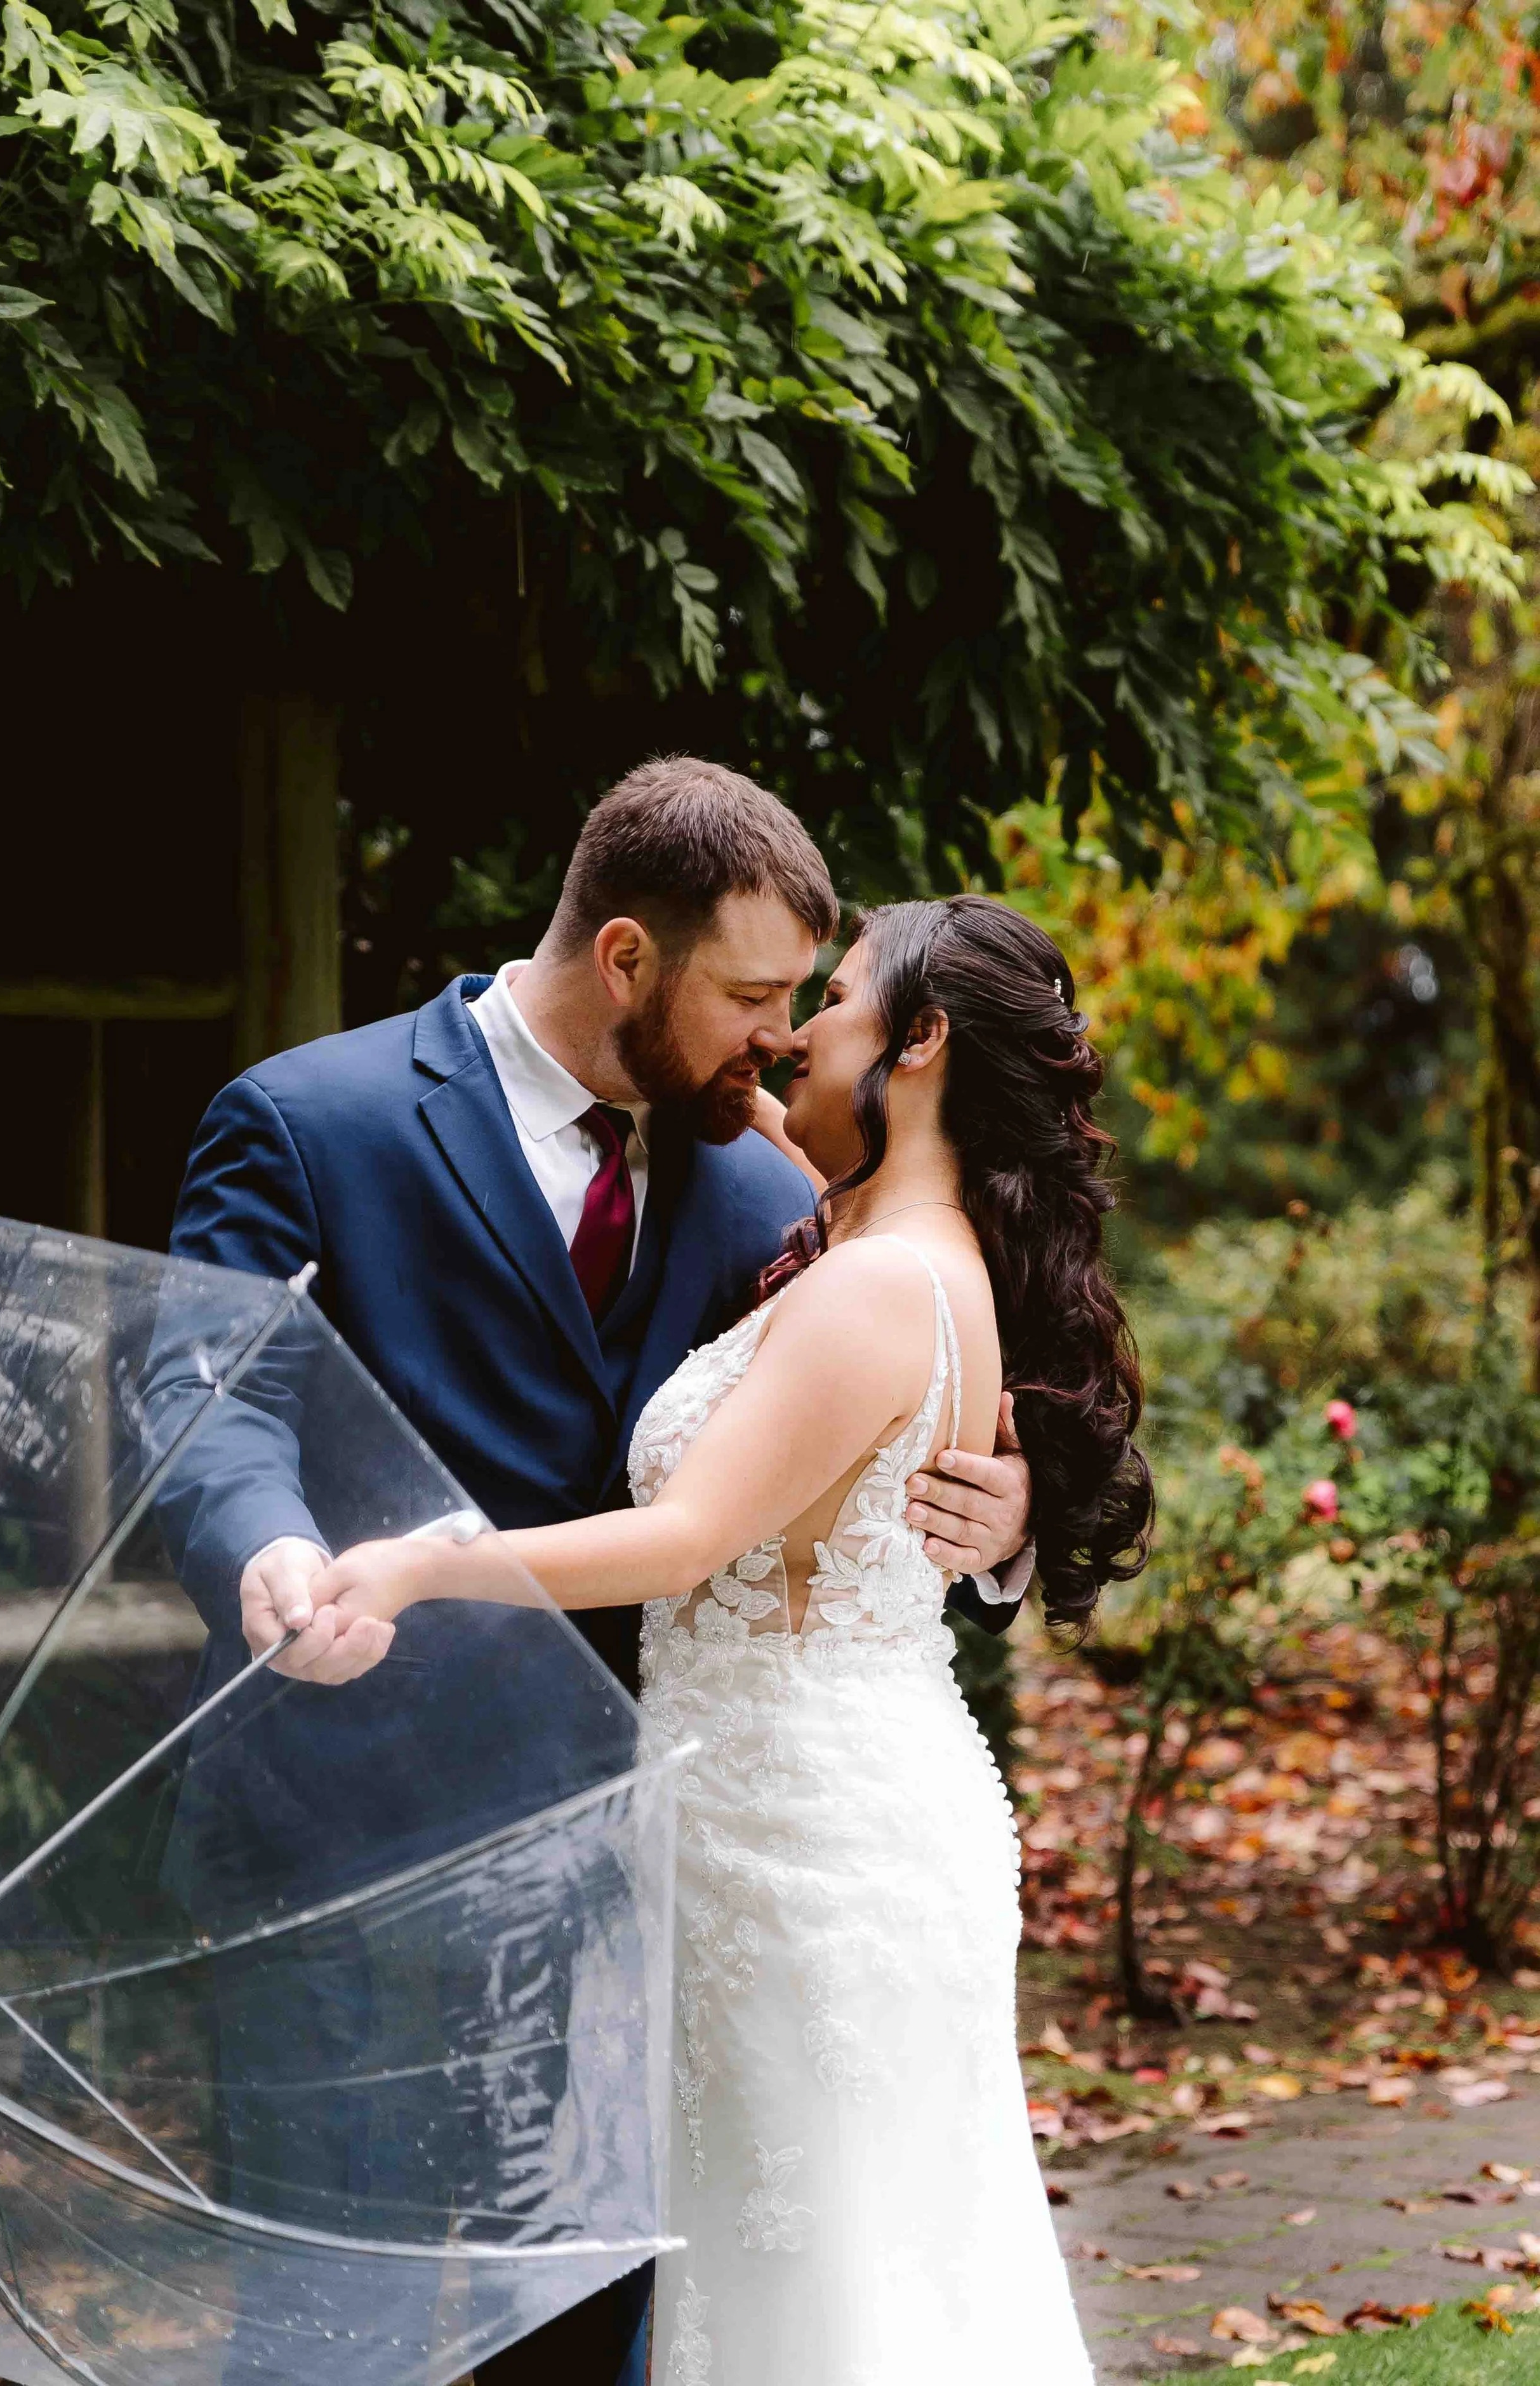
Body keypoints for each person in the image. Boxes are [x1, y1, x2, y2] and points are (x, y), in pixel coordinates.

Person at [163, 763, 1035, 2386]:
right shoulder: (308, 1118)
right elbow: (209, 1398)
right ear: (627, 957)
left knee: (596, 2339)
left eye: (803, 1001)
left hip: (637, 1873)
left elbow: (880, 1396)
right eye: (752, 995)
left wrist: (998, 1510)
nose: (780, 1040)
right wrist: (272, 1543)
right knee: (323, 2334)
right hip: (346, 1838)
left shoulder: (772, 1181)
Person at [309, 892, 1155, 2385]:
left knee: (820, 2289)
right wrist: (778, 1119)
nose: (797, 1032)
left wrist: (417, 1567)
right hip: (812, 1810)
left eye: (831, 1000)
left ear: (923, 1039)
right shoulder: (891, 1241)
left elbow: (689, 1536)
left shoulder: (884, 1281)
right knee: (854, 2261)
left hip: (802, 1849)